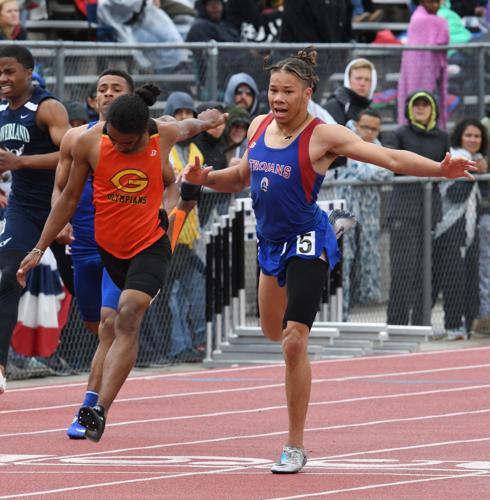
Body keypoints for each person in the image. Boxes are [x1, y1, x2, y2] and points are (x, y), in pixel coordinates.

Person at [182, 47, 475, 474]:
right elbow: (241, 177)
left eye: (287, 91)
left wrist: (437, 168)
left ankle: (294, 445)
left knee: (294, 340)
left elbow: (389, 158)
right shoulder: (261, 125)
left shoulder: (324, 135)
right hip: (270, 243)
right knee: (271, 330)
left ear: (307, 93)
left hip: (305, 240)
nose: (277, 99)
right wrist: (206, 178)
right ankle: (327, 233)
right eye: (272, 90)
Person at [16, 91, 226, 442]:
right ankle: (94, 403)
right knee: (101, 326)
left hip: (150, 244)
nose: (120, 147)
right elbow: (67, 198)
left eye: (127, 144)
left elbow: (192, 125)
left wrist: (209, 118)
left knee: (127, 315)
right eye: (114, 139)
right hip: (108, 249)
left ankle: (98, 409)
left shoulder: (163, 134)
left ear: (145, 132)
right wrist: (39, 247)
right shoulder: (90, 144)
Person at [53, 69, 136, 439]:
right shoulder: (77, 138)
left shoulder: (145, 139)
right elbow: (60, 189)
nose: (107, 95)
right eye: (102, 90)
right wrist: (60, 223)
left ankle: (88, 409)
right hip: (83, 245)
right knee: (95, 326)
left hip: (122, 246)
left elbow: (168, 182)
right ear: (93, 99)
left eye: (117, 89)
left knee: (109, 325)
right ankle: (113, 366)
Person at [0, 45, 71, 395]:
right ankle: (0, 367)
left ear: (28, 72)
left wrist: (21, 164)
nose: (3, 78)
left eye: (9, 71)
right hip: (24, 209)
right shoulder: (1, 111)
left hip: (62, 207)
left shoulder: (47, 108)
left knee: (88, 301)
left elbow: (70, 154)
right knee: (5, 276)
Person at [386, 90, 449, 327]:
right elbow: (394, 164)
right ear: (409, 109)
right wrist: (430, 170)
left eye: (426, 104)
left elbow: (444, 167)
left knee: (425, 274)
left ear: (433, 109)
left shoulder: (442, 137)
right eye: (416, 104)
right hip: (404, 212)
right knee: (403, 273)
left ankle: (421, 325)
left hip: (430, 213)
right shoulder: (397, 134)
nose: (421, 108)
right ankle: (397, 326)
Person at [334, 108, 393, 319]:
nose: (369, 132)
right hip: (344, 209)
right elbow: (364, 171)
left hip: (368, 211)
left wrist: (374, 170)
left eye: (374, 129)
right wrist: (376, 169)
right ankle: (340, 311)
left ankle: (356, 304)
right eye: (365, 127)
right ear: (357, 125)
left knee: (366, 255)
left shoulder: (377, 148)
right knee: (343, 256)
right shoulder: (345, 140)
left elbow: (387, 172)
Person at [433, 118, 487, 339]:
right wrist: (474, 174)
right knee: (450, 280)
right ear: (459, 137)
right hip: (448, 229)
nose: (473, 140)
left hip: (470, 228)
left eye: (477, 136)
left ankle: (467, 325)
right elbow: (454, 195)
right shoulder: (455, 158)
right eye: (468, 135)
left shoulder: (477, 160)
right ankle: (452, 327)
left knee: (470, 281)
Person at [397, 0, 449, 129]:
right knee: (417, 103)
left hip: (434, 72)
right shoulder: (421, 19)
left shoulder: (423, 18)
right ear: (422, 2)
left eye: (438, 2)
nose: (436, 5)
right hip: (416, 72)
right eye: (431, 2)